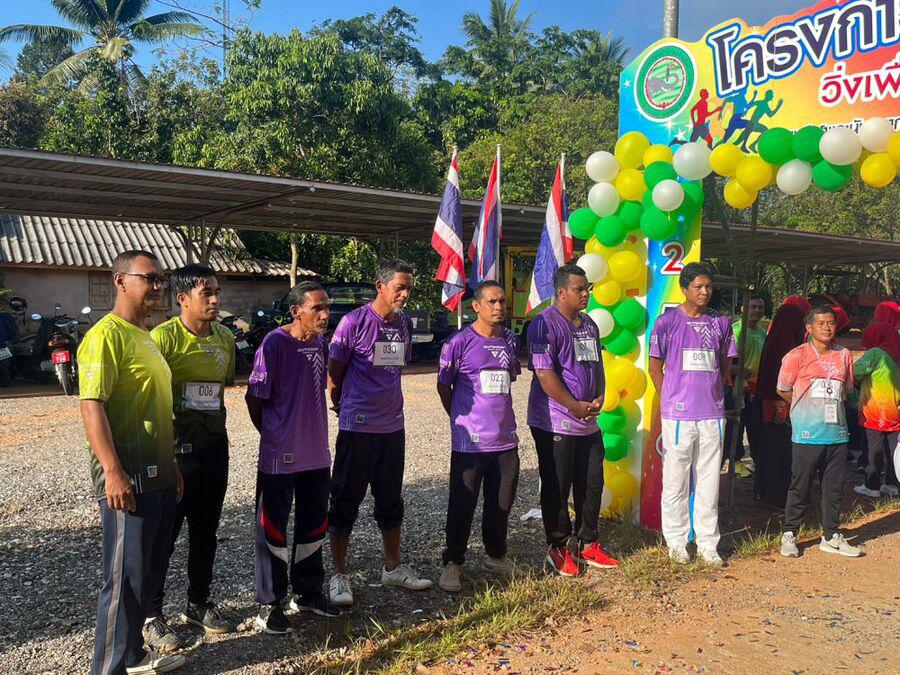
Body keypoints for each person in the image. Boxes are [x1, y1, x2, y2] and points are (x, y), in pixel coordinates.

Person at [78, 250, 186, 674]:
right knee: (123, 578)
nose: (158, 286)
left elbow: (156, 407)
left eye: (161, 279)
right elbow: (92, 405)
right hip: (130, 478)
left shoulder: (146, 335)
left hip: (159, 473)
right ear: (120, 281)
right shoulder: (106, 335)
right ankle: (108, 667)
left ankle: (134, 653)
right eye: (149, 278)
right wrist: (112, 471)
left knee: (146, 573)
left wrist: (172, 464)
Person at [327, 260, 432, 606]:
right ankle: (339, 574)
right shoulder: (354, 322)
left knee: (390, 499)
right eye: (400, 287)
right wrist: (340, 402)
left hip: (392, 427)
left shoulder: (403, 324)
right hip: (358, 428)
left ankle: (393, 567)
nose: (405, 294)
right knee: (345, 500)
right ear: (380, 287)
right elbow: (335, 370)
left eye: (409, 288)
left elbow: (398, 366)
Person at [145, 264, 236, 650]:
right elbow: (151, 400)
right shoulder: (162, 339)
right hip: (174, 452)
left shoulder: (225, 338)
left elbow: (221, 388)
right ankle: (151, 615)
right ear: (182, 299)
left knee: (206, 531)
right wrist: (165, 454)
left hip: (213, 447)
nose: (215, 300)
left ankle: (198, 603)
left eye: (216, 292)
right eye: (206, 293)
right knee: (163, 535)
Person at [246, 281, 339, 634]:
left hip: (316, 455)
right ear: (296, 311)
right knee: (273, 527)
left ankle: (308, 592)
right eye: (317, 308)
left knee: (314, 525)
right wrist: (273, 434)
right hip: (280, 456)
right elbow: (255, 399)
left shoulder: (321, 344)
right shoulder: (274, 344)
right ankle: (269, 603)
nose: (325, 314)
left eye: (327, 307)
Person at [527, 263, 619, 578]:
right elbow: (544, 374)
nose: (585, 294)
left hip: (588, 421)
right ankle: (558, 548)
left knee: (591, 483)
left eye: (587, 288)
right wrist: (573, 406)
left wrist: (599, 397)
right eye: (579, 290)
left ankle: (588, 543)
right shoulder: (543, 324)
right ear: (561, 292)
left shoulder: (589, 324)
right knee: (557, 486)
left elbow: (597, 365)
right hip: (555, 422)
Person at [648, 262, 737, 566]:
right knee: (676, 479)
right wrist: (669, 398)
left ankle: (708, 543)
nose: (704, 292)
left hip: (712, 414)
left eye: (708, 286)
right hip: (678, 416)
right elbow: (655, 366)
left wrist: (715, 391)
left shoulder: (720, 323)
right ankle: (676, 542)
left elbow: (725, 362)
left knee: (710, 480)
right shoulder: (667, 322)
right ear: (684, 288)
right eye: (698, 286)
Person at [437, 281, 521, 592]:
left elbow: (509, 379)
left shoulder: (510, 340)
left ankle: (495, 555)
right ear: (476, 306)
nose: (499, 307)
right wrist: (459, 419)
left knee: (501, 503)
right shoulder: (458, 342)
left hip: (505, 440)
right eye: (492, 302)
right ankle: (453, 562)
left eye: (502, 301)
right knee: (462, 504)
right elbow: (444, 386)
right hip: (470, 444)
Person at [778, 306, 860, 559]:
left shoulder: (844, 355)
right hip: (807, 434)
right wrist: (805, 408)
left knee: (833, 488)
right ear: (809, 328)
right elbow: (783, 388)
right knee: (800, 486)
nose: (826, 327)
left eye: (831, 323)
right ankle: (790, 533)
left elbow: (846, 390)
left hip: (837, 433)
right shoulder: (797, 355)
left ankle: (831, 535)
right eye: (821, 323)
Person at [750, 300, 809, 509]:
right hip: (784, 405)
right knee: (782, 453)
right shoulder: (791, 347)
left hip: (767, 403)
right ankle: (779, 496)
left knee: (768, 451)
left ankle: (764, 492)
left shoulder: (772, 339)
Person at [852, 303, 900, 498]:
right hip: (896, 409)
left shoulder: (876, 354)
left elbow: (855, 372)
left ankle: (872, 485)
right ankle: (892, 483)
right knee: (893, 448)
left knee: (874, 447)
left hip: (876, 409)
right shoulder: (896, 353)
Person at [724, 295, 766, 464]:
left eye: (760, 307)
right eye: (753, 306)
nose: (757, 310)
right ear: (743, 308)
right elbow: (725, 364)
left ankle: (756, 460)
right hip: (737, 389)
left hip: (755, 389)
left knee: (754, 426)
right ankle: (735, 462)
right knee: (736, 426)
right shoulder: (736, 331)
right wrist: (741, 372)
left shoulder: (762, 332)